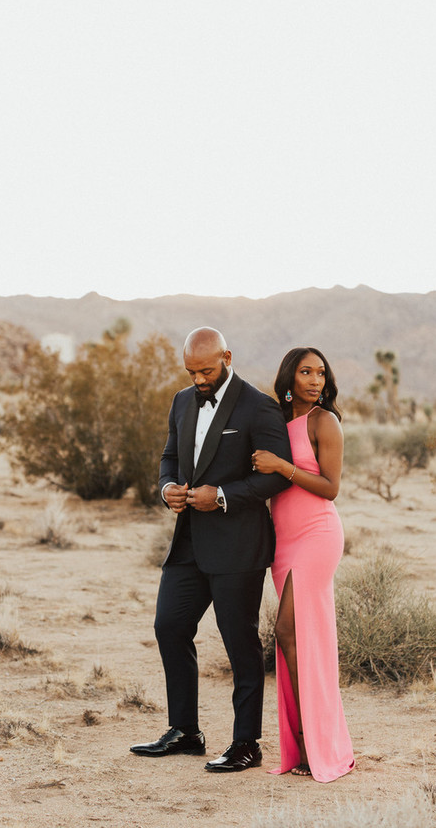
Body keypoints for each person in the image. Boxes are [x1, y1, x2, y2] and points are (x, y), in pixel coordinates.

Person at [130, 327, 292, 773]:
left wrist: (220, 494)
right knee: (169, 626)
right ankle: (185, 731)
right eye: (191, 371)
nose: (199, 379)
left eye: (206, 370)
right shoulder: (182, 401)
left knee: (240, 644)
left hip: (238, 546)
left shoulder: (260, 407)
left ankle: (247, 743)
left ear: (227, 356)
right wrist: (167, 488)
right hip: (188, 544)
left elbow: (276, 476)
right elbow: (169, 457)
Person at [251, 347, 354, 783]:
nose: (314, 379)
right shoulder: (276, 419)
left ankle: (315, 740)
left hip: (317, 534)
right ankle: (303, 743)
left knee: (288, 631)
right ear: (289, 376)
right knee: (295, 637)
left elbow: (330, 488)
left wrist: (282, 467)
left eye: (320, 372)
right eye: (305, 371)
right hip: (284, 540)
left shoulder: (324, 421)